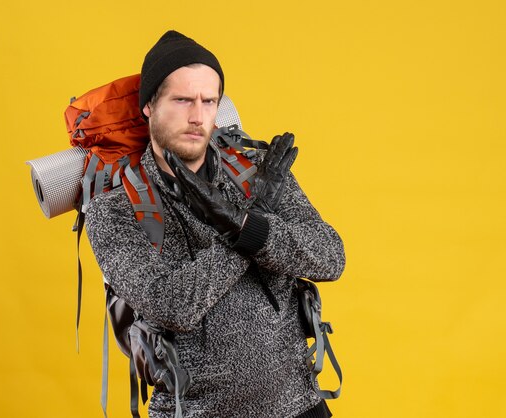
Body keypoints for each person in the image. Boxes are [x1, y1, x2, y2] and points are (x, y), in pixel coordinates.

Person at [85, 30, 346, 418]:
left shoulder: (258, 175)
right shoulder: (114, 210)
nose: (198, 115)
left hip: (299, 405)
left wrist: (248, 222)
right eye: (182, 100)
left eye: (209, 101)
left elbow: (330, 257)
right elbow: (171, 305)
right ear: (149, 107)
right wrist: (241, 230)